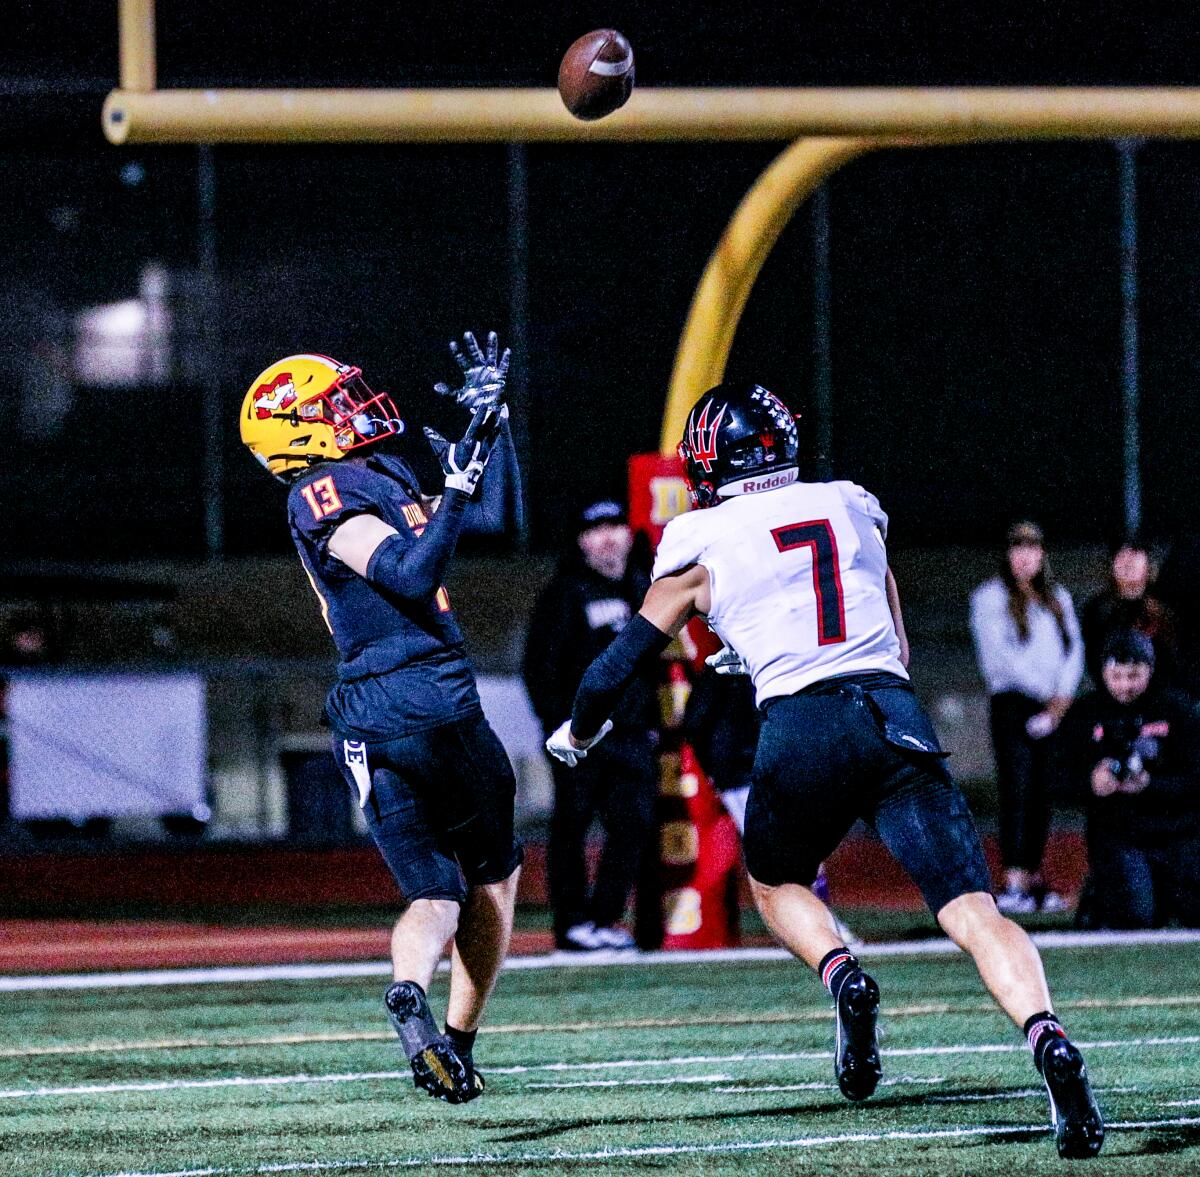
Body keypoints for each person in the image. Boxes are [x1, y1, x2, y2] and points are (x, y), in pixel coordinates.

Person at [545, 382, 1104, 1160]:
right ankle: (1047, 1036)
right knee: (975, 910)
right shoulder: (850, 504)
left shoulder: (699, 537)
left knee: (774, 882)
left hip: (802, 724)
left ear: (711, 460)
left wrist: (576, 729)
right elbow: (895, 641)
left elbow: (616, 666)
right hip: (892, 712)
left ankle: (842, 972)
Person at [239, 334, 522, 1105]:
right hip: (430, 694)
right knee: (495, 869)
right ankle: (458, 1039)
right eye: (332, 404)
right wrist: (459, 487)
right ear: (296, 429)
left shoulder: (377, 473)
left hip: (366, 715)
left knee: (433, 893)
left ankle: (408, 992)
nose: (352, 407)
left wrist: (488, 429)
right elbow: (413, 569)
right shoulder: (321, 492)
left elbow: (480, 522)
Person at [522, 500, 658, 951]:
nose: (607, 537)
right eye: (595, 528)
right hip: (580, 735)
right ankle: (572, 923)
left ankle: (604, 920)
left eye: (615, 526)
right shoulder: (566, 592)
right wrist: (558, 726)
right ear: (580, 541)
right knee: (572, 826)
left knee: (633, 826)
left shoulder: (645, 586)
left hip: (633, 733)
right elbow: (539, 667)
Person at [970, 521, 1084, 915]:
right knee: (1017, 789)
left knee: (1042, 791)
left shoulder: (1057, 597)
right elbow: (1000, 658)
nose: (1025, 557)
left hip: (1054, 708)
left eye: (1032, 549)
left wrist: (1062, 697)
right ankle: (1014, 879)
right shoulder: (989, 598)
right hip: (1015, 704)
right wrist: (1046, 695)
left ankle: (1035, 878)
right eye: (1017, 548)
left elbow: (1074, 650)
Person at [1061, 629, 1200, 929]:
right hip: (1120, 835)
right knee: (1135, 916)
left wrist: (1152, 785)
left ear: (1149, 670)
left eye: (1134, 676)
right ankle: (1100, 896)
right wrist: (1091, 783)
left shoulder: (1177, 709)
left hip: (1177, 832)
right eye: (1117, 676)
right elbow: (1055, 779)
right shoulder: (1085, 713)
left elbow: (1195, 778)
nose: (1125, 686)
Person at [1081, 536, 1179, 688]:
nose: (1128, 562)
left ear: (1148, 565)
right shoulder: (1096, 610)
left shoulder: (1166, 607)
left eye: (1135, 556)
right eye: (1121, 556)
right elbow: (1094, 662)